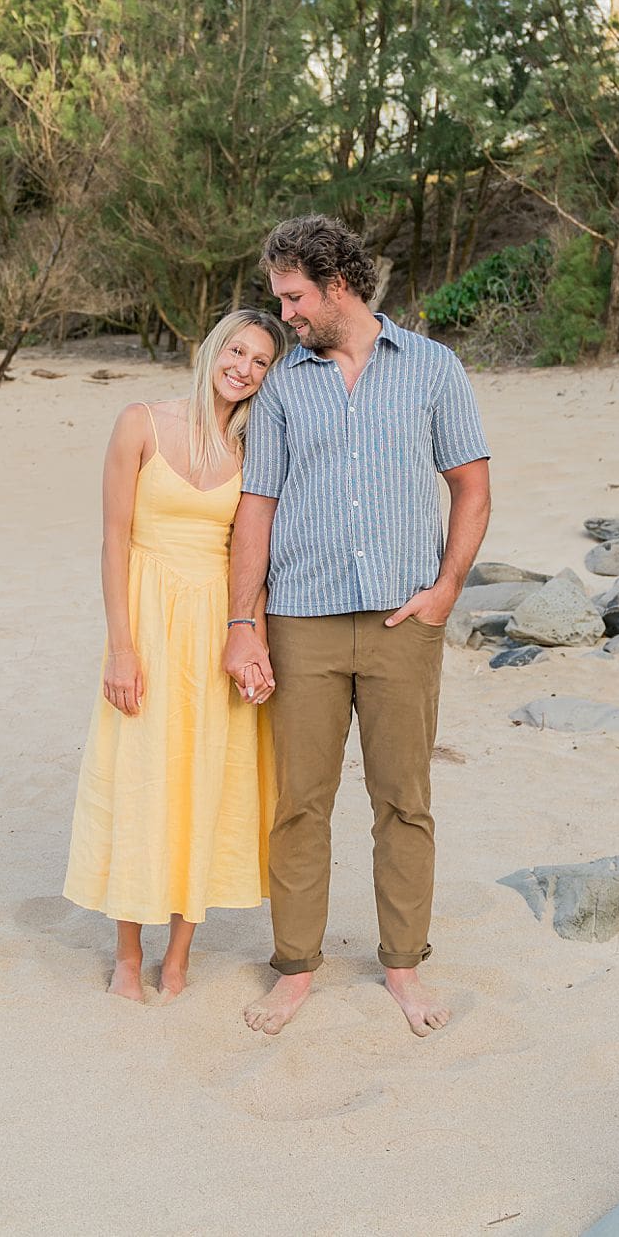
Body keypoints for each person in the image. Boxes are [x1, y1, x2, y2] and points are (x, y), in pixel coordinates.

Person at [225, 216, 491, 1037]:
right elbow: (256, 509)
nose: (285, 313)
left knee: (402, 799)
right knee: (299, 802)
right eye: (279, 297)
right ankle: (295, 968)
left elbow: (472, 488)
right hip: (299, 620)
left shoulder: (434, 369)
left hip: (402, 619)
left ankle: (403, 964)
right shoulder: (281, 385)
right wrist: (245, 622)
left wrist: (447, 589)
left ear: (338, 284)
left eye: (294, 296)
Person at [63, 308, 287, 1002]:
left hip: (218, 628)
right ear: (212, 348)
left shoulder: (255, 450)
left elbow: (259, 556)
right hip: (148, 623)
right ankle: (128, 953)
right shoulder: (140, 422)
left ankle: (181, 953)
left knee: (205, 784)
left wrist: (253, 643)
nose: (243, 368)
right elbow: (114, 541)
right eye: (236, 350)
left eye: (260, 362)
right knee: (141, 781)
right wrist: (121, 649)